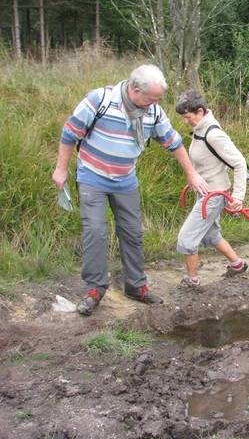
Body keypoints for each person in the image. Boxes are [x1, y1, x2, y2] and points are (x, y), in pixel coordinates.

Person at [52, 64, 210, 315]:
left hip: (125, 179)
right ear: (135, 90)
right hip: (92, 175)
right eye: (152, 98)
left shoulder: (153, 112)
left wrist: (191, 173)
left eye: (158, 99)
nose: (155, 103)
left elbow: (173, 142)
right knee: (95, 231)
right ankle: (95, 289)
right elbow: (70, 133)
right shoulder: (99, 100)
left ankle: (136, 287)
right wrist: (61, 169)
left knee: (132, 232)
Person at [173, 90, 249, 293]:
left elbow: (240, 163)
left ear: (200, 111)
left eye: (187, 117)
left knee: (187, 237)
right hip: (207, 193)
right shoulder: (200, 129)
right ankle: (238, 266)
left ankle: (192, 282)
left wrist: (238, 197)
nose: (185, 122)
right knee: (211, 235)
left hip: (214, 196)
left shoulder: (213, 134)